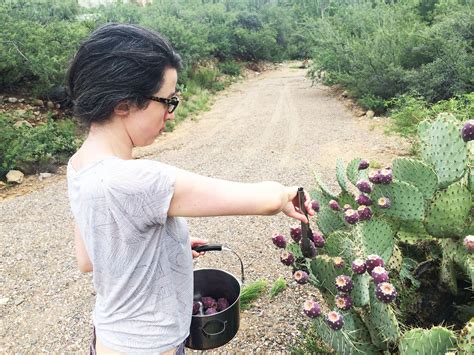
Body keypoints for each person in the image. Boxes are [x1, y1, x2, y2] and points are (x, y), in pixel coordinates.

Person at [66, 23, 314, 355]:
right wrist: (288, 191)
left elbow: (89, 259)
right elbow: (265, 200)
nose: (170, 114)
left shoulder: (79, 165)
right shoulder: (139, 180)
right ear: (123, 104)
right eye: (166, 101)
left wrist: (169, 244)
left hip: (110, 339)